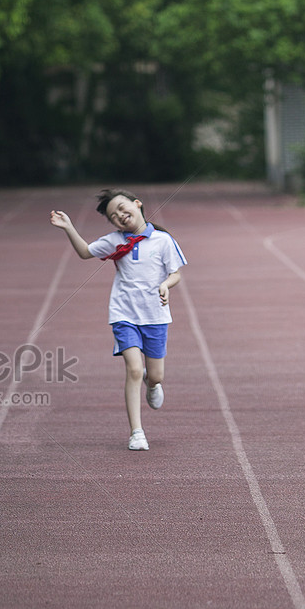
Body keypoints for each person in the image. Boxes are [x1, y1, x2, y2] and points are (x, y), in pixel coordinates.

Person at [50, 189, 185, 450]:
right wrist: (68, 227)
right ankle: (137, 432)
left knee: (155, 376)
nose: (120, 216)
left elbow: (175, 274)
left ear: (137, 204)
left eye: (123, 208)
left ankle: (152, 383)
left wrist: (166, 285)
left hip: (155, 316)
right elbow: (86, 252)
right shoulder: (114, 241)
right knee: (133, 369)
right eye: (114, 216)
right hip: (124, 314)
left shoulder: (162, 240)